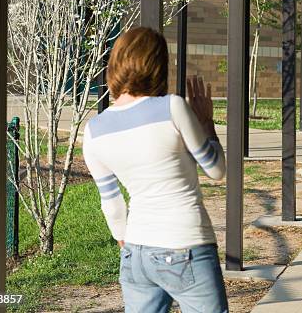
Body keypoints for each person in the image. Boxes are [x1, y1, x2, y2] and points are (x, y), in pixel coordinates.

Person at [83, 27, 228, 312]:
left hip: (136, 253)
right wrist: (206, 121)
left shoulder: (94, 130)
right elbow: (217, 169)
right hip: (185, 244)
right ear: (157, 66)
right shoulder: (172, 107)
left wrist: (129, 241)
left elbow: (111, 203)